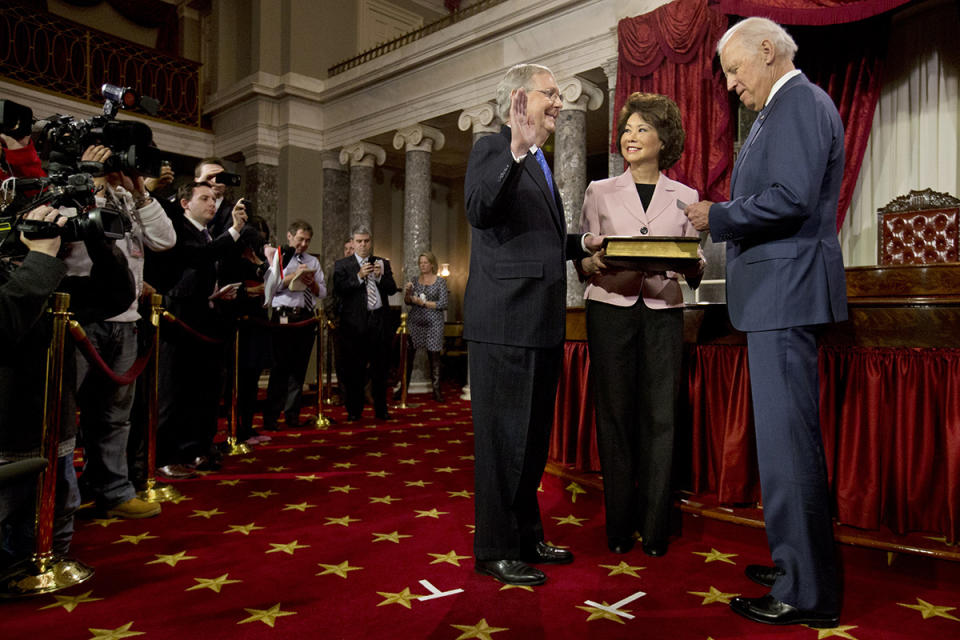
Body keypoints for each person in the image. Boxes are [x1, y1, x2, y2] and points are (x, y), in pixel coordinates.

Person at [684, 17, 846, 629]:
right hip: (777, 297)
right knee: (783, 447)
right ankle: (793, 564)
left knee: (790, 450)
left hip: (785, 295)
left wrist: (717, 215)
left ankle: (807, 594)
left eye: (734, 69)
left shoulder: (799, 101)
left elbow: (794, 196)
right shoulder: (786, 105)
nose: (730, 84)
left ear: (767, 50)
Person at [463, 63, 601, 586]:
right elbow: (480, 210)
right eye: (551, 94)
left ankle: (524, 535)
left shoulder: (539, 159)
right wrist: (516, 150)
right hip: (503, 320)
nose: (559, 103)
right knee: (502, 443)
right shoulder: (492, 148)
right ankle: (495, 548)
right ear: (520, 99)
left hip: (538, 320)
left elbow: (536, 238)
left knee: (531, 439)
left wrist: (578, 244)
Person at [578, 93, 704, 557]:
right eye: (627, 129)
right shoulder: (599, 190)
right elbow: (586, 260)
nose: (631, 137)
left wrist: (695, 264)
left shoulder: (686, 197)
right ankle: (618, 527)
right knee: (614, 417)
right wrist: (590, 261)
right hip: (609, 307)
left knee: (660, 418)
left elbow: (693, 264)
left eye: (642, 129)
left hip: (663, 311)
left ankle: (654, 530)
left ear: (663, 139)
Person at [65, 145, 175, 519]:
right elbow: (66, 233)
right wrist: (92, 182)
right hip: (82, 318)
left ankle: (113, 490)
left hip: (126, 320)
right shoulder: (71, 187)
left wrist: (141, 191)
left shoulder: (130, 197)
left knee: (114, 415)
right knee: (63, 417)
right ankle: (58, 502)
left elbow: (164, 240)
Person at [156, 182, 247, 479]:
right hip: (179, 322)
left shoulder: (206, 233)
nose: (212, 203)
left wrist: (217, 292)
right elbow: (199, 256)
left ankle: (197, 450)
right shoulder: (177, 228)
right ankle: (166, 456)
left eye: (214, 198)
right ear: (185, 203)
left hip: (205, 322)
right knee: (174, 394)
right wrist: (233, 230)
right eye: (205, 198)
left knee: (203, 392)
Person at [263, 220, 326, 430]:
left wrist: (313, 283)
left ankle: (292, 416)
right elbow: (268, 288)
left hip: (305, 317)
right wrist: (289, 277)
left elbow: (323, 292)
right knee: (280, 369)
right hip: (283, 317)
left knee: (298, 371)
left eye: (308, 241)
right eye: (300, 239)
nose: (304, 244)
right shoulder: (279, 257)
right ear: (290, 236)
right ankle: (271, 418)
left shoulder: (313, 262)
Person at [332, 227, 397, 422]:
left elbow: (392, 289)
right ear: (352, 242)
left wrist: (378, 277)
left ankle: (381, 410)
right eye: (359, 241)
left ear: (371, 242)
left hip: (379, 321)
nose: (363, 245)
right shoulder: (343, 265)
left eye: (366, 241)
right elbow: (339, 289)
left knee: (380, 370)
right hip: (354, 324)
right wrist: (359, 276)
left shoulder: (382, 263)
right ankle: (354, 411)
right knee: (355, 370)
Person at [401, 251, 448, 402]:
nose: (422, 265)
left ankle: (437, 391)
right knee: (409, 355)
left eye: (425, 262)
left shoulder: (440, 281)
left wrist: (425, 303)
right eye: (420, 263)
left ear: (432, 264)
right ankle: (403, 390)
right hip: (415, 322)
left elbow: (443, 304)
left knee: (434, 357)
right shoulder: (415, 280)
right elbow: (408, 302)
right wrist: (408, 294)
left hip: (434, 322)